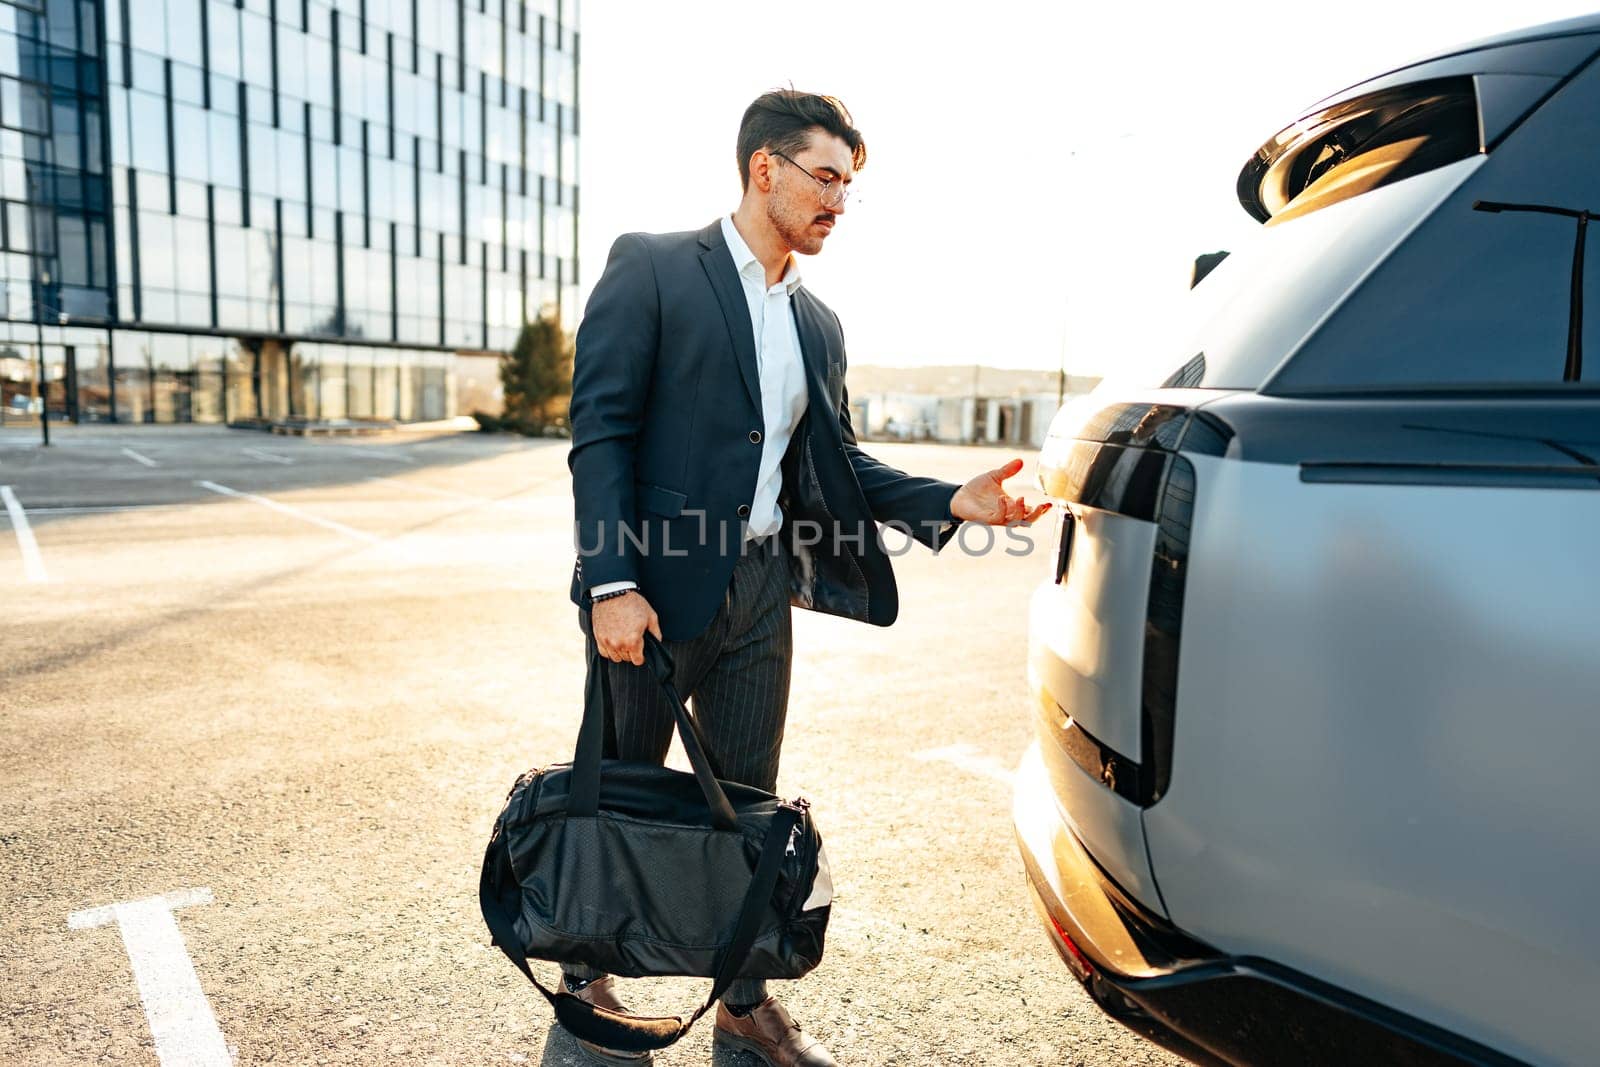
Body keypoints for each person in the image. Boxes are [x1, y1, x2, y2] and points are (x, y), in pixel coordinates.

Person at [564, 89, 1049, 1067]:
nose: (838, 200)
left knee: (748, 804)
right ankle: (586, 984)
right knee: (616, 795)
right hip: (649, 595)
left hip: (758, 597)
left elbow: (840, 467)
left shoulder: (818, 325)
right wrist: (611, 577)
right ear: (764, 169)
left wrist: (956, 501)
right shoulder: (654, 267)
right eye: (826, 177)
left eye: (848, 185)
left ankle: (742, 1002)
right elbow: (601, 429)